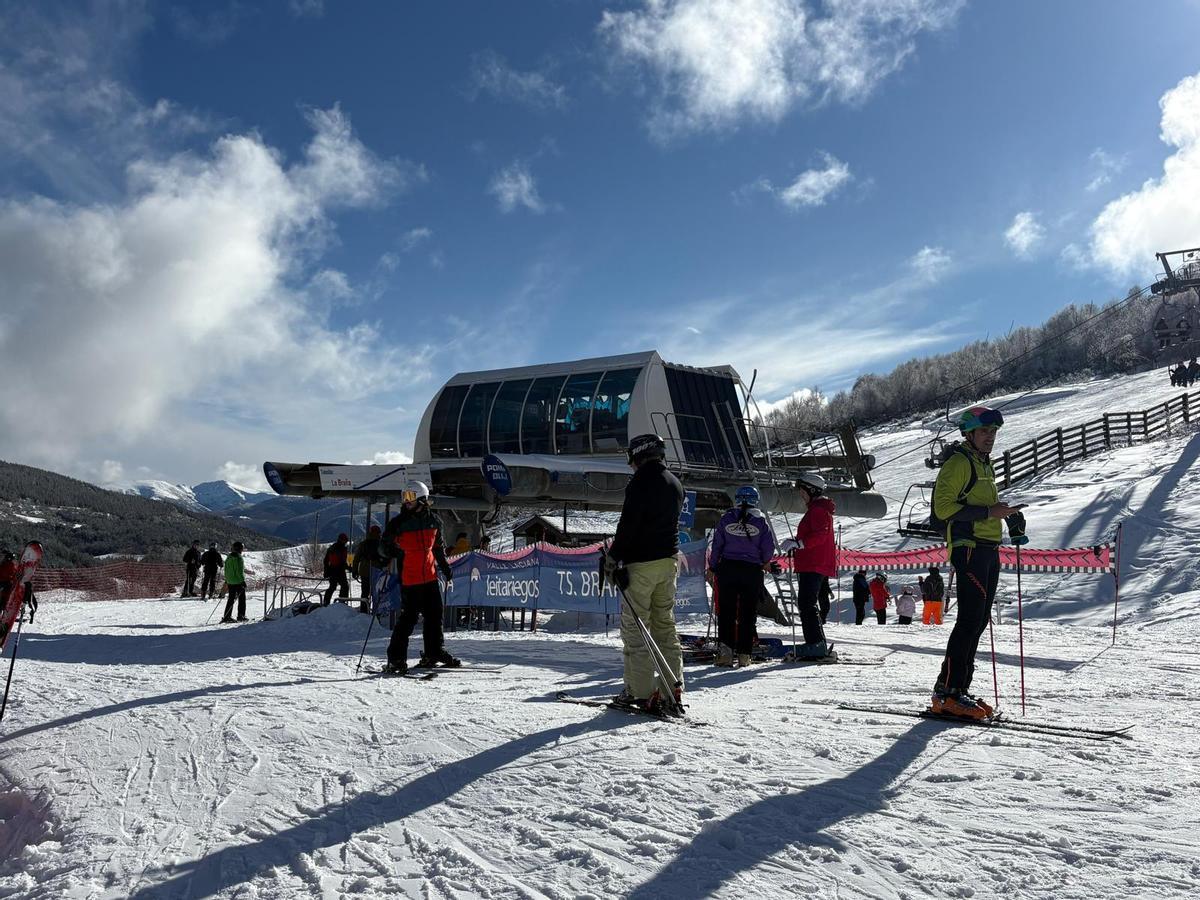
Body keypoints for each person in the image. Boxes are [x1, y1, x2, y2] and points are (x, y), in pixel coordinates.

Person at [931, 404, 1025, 720]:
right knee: (969, 619)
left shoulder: (983, 464)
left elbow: (982, 506)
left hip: (987, 546)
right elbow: (943, 509)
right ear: (969, 433)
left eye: (994, 431)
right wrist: (989, 512)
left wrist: (1005, 515)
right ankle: (948, 692)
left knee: (980, 619)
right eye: (985, 431)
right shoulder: (959, 463)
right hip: (968, 547)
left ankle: (957, 688)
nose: (990, 437)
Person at [604, 434, 686, 712]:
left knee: (636, 629)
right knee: (665, 626)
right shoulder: (674, 482)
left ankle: (639, 692)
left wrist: (614, 557)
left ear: (638, 455)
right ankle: (672, 689)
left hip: (641, 564)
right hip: (668, 562)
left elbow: (629, 524)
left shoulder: (640, 482)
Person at [378, 481, 458, 673]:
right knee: (409, 619)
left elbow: (438, 547)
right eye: (404, 497)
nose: (406, 501)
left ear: (422, 499)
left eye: (410, 497)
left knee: (435, 615)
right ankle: (396, 659)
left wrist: (445, 567)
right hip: (410, 579)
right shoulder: (398, 524)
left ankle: (434, 652)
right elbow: (382, 547)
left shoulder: (434, 521)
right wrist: (390, 551)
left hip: (430, 577)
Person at [708, 485, 777, 668]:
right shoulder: (760, 522)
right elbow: (768, 549)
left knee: (727, 612)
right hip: (752, 571)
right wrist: (763, 561)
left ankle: (725, 653)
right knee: (748, 613)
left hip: (728, 568)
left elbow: (717, 546)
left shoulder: (727, 519)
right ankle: (745, 655)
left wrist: (713, 567)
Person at [791, 472, 837, 659]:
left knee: (806, 603)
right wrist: (797, 545)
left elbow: (820, 535)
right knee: (807, 603)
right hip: (812, 562)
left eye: (802, 491)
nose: (800, 495)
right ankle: (817, 643)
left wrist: (799, 544)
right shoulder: (817, 509)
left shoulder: (817, 510)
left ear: (811, 490)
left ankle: (815, 644)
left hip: (813, 563)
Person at [353, 525, 384, 611]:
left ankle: (364, 610)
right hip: (377, 571)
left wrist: (354, 570)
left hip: (364, 571)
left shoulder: (363, 544)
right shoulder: (381, 544)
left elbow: (356, 558)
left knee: (365, 592)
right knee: (376, 592)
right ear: (379, 533)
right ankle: (376, 611)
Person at [220, 541, 248, 623]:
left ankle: (227, 616)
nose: (242, 550)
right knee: (242, 599)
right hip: (238, 581)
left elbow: (226, 570)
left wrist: (227, 579)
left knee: (231, 599)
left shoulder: (229, 557)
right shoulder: (239, 558)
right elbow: (239, 571)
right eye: (242, 548)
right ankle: (241, 616)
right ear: (239, 549)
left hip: (230, 581)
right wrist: (242, 581)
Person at [322, 533, 351, 606]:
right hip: (340, 571)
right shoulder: (342, 549)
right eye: (345, 541)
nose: (346, 542)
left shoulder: (332, 548)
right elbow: (342, 562)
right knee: (345, 586)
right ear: (342, 540)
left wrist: (326, 571)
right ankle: (342, 603)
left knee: (332, 587)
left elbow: (326, 560)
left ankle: (326, 603)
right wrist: (349, 568)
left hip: (332, 570)